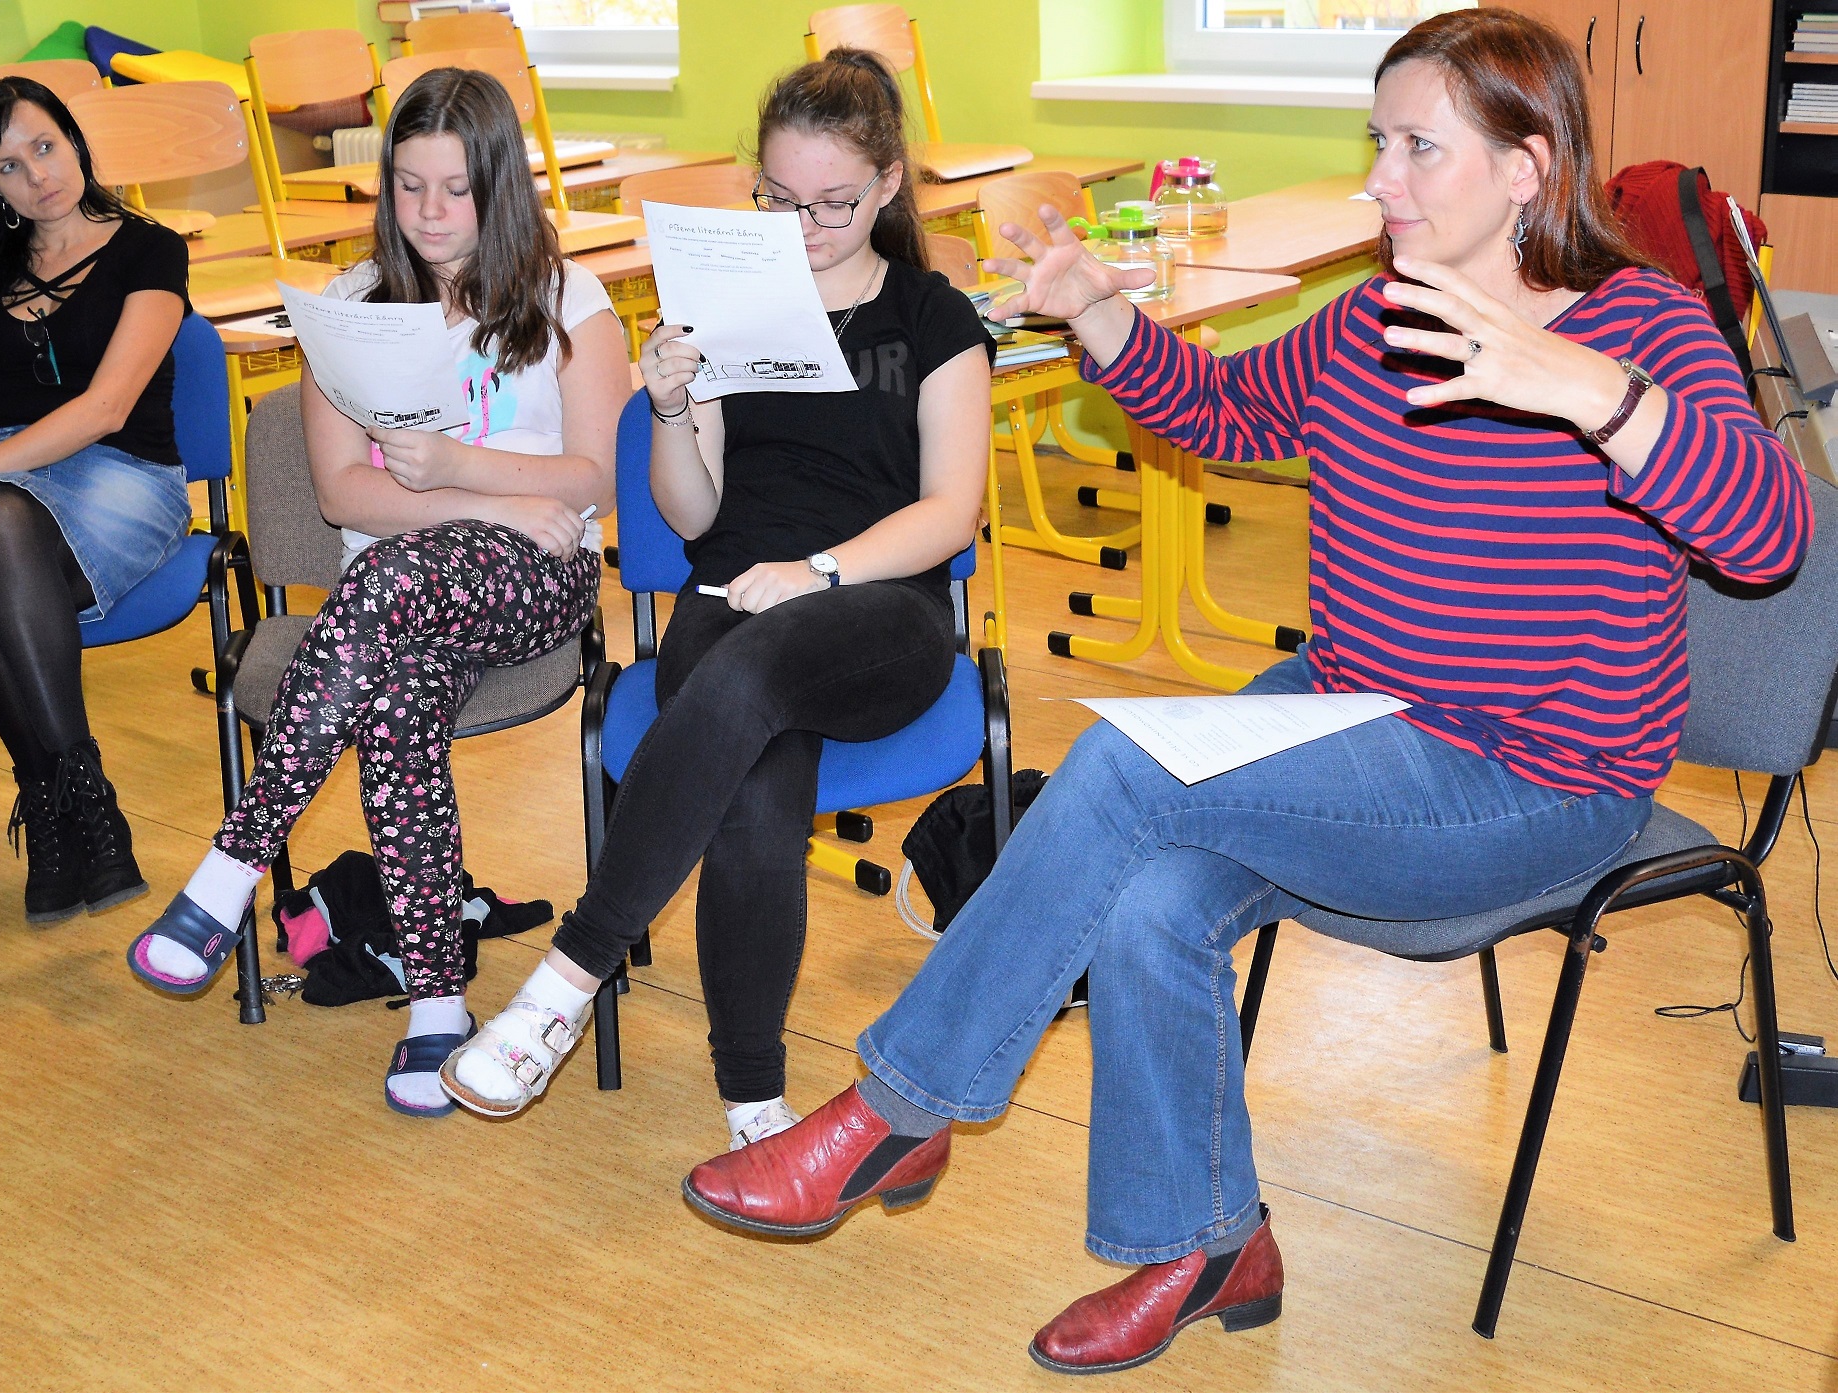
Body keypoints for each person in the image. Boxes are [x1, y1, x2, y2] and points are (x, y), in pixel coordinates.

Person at [676, 8, 1814, 1376]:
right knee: (1150, 896)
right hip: (1342, 725)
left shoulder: (1644, 325)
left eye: (1416, 148)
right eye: (1376, 142)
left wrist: (1591, 394)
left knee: (1126, 768)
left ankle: (895, 1110)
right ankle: (1208, 1246)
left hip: (1533, 782)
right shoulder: (1378, 316)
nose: (1379, 180)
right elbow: (1224, 410)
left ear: (1526, 167)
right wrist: (1100, 312)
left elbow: (1769, 538)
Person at [434, 48, 994, 1152]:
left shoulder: (934, 319)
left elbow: (949, 513)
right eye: (779, 198)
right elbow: (692, 514)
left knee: (752, 667)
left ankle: (566, 978)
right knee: (756, 775)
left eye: (834, 202)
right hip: (729, 590)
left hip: (881, 610)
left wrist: (819, 573)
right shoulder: (729, 306)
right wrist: (672, 407)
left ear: (888, 183)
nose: (805, 225)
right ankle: (754, 1103)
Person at [124, 66, 628, 1119]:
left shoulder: (568, 297)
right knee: (395, 697)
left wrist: (459, 470)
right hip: (397, 591)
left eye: (457, 189)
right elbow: (341, 491)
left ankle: (234, 863)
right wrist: (488, 500)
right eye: (408, 186)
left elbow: (596, 478)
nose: (431, 213)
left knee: (388, 583)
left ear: (500, 185)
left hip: (535, 578)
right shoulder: (349, 310)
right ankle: (437, 1003)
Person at [0, 78, 193, 923]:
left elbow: (106, 408)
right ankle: (84, 800)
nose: (37, 176)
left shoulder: (149, 249)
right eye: (8, 166)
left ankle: (54, 799)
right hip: (4, 479)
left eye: (45, 147)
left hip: (125, 475)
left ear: (74, 142)